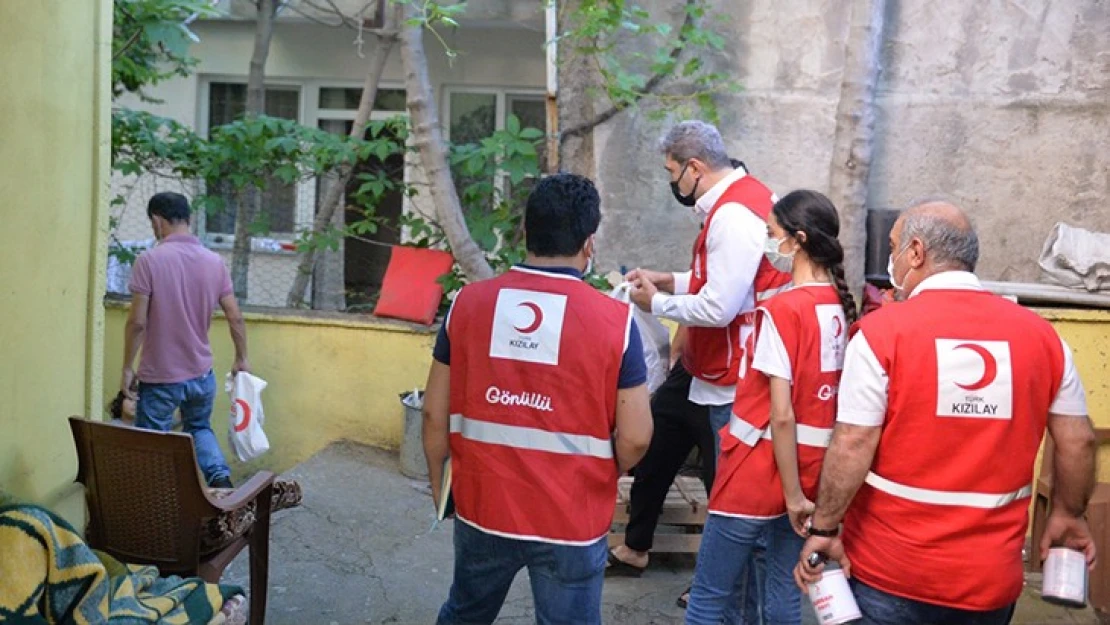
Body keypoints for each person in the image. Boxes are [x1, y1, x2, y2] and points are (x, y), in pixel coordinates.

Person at [794, 201, 1098, 625]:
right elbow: (1078, 440)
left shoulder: (882, 334)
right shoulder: (1043, 338)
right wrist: (1067, 514)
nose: (892, 259)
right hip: (989, 583)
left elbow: (853, 442)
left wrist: (824, 530)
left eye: (895, 247)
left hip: (891, 574)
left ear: (916, 253)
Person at [422, 173, 654, 625]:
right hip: (572, 514)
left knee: (464, 613)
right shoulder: (616, 322)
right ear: (590, 245)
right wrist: (608, 469)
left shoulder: (467, 304)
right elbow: (638, 437)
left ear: (525, 233)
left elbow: (434, 414)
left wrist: (443, 494)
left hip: (483, 504)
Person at [613, 120, 791, 612]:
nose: (673, 184)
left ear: (694, 167)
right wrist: (668, 280)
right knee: (671, 443)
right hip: (721, 366)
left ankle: (724, 596)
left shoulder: (732, 215)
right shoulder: (750, 195)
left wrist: (656, 305)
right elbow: (724, 279)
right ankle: (669, 561)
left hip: (733, 374)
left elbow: (721, 305)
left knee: (733, 499)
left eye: (673, 173)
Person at [685, 190, 855, 625]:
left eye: (771, 233)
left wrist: (791, 492)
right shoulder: (838, 306)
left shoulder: (782, 310)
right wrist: (799, 492)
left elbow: (781, 413)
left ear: (797, 240)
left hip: (757, 471)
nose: (766, 241)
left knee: (709, 596)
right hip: (811, 468)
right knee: (783, 591)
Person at [121, 192, 249, 489]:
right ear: (188, 219)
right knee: (200, 428)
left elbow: (138, 322)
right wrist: (242, 357)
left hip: (161, 377)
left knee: (153, 445)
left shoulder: (149, 261)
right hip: (201, 374)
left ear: (157, 220)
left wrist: (128, 368)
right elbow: (235, 317)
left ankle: (159, 504)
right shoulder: (214, 262)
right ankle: (219, 478)